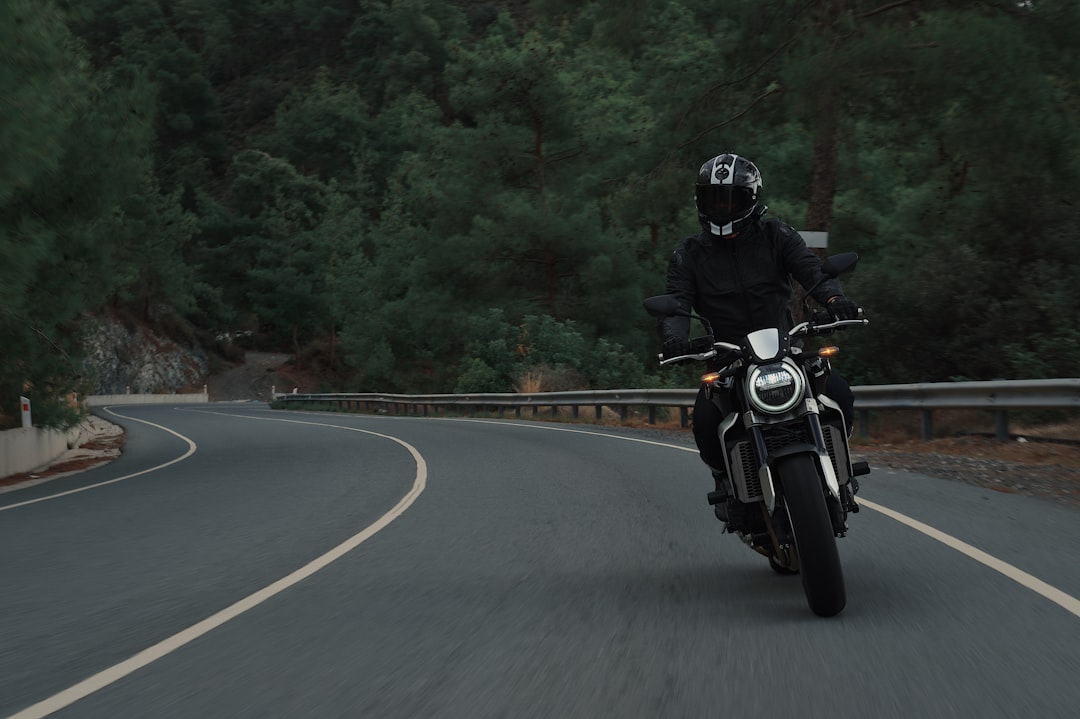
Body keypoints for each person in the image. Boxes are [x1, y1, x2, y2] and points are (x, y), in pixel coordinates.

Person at [658, 153, 860, 520]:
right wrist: (675, 338)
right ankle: (728, 483)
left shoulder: (777, 235)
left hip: (785, 347)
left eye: (731, 199)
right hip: (728, 358)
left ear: (750, 199)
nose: (722, 208)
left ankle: (839, 470)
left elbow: (811, 271)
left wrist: (835, 300)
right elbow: (675, 304)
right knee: (705, 417)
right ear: (700, 202)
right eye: (714, 199)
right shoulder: (689, 254)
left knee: (837, 390)